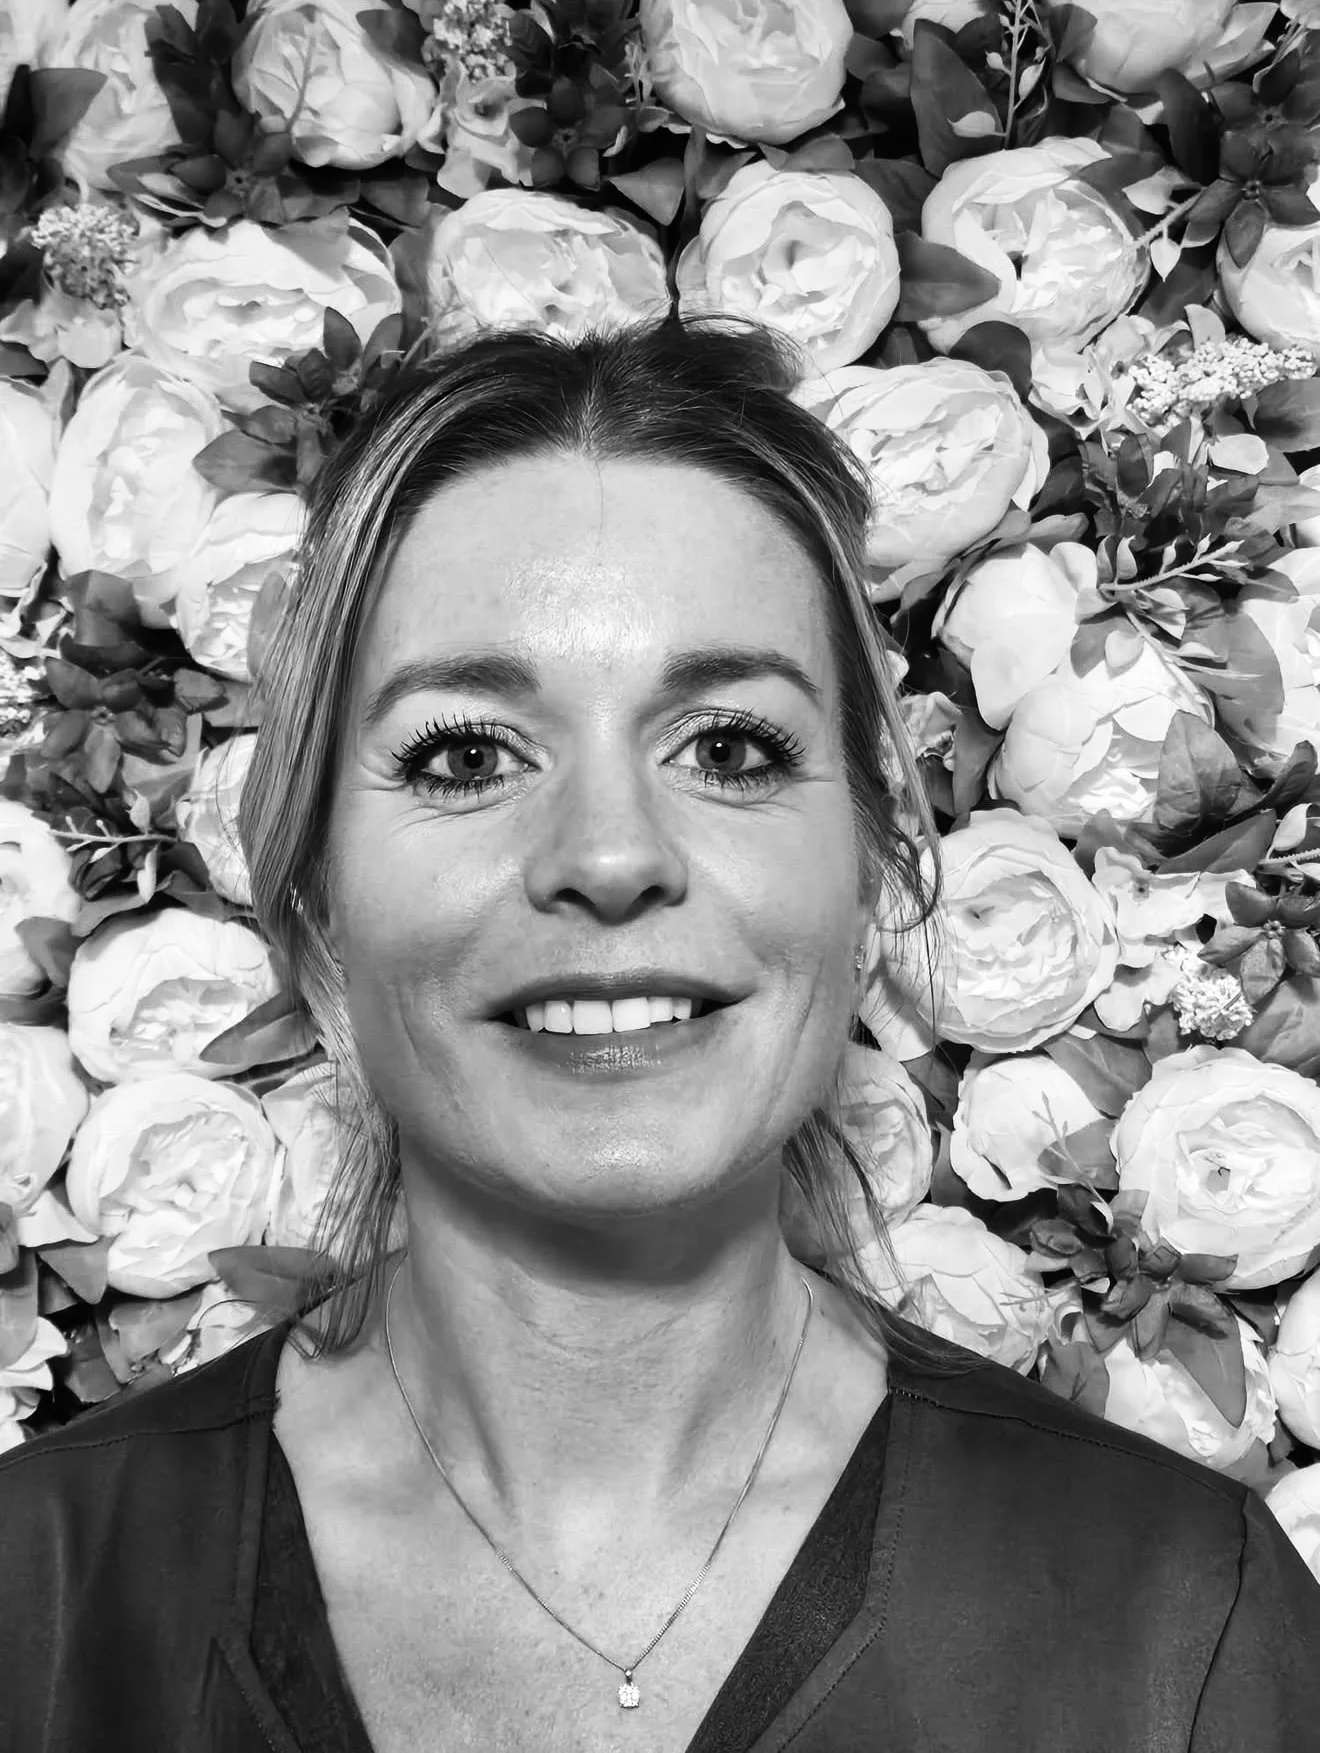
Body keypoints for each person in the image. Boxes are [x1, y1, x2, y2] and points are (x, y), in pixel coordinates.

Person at [2, 317, 1319, 1753]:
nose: (611, 855)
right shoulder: (39, 1597)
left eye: (730, 749)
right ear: (317, 909)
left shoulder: (1174, 1621)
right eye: (466, 754)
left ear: (873, 873)